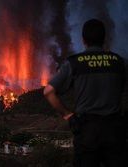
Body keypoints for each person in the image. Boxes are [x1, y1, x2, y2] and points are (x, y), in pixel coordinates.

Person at [44, 19, 127, 167]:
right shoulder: (118, 62)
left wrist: (67, 114)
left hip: (87, 131)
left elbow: (48, 91)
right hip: (114, 131)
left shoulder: (75, 62)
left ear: (83, 40)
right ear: (104, 38)